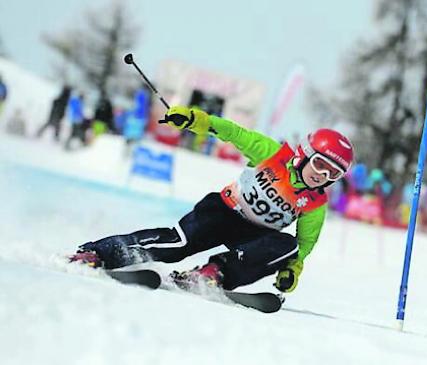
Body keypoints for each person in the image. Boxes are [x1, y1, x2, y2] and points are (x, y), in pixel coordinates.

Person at [70, 105, 354, 293]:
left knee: (287, 245)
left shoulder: (316, 204)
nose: (323, 176)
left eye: (333, 174)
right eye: (320, 164)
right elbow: (234, 133)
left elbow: (304, 245)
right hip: (223, 211)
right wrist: (198, 120)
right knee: (176, 244)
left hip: (253, 236)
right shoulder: (273, 154)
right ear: (304, 154)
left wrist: (292, 269)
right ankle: (99, 253)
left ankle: (212, 273)